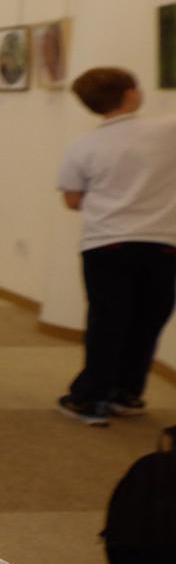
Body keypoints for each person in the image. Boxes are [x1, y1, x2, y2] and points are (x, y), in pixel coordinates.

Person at [55, 66, 176, 424]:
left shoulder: (83, 145)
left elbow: (73, 200)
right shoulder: (167, 130)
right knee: (148, 320)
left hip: (106, 244)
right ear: (130, 94)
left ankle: (90, 398)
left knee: (108, 321)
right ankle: (127, 391)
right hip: (164, 243)